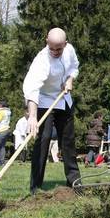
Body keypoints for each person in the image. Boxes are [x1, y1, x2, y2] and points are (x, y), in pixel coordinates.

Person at [23, 27, 81, 194]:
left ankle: (75, 182)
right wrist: (33, 116)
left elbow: (74, 67)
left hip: (64, 99)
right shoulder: (41, 61)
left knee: (68, 141)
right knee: (43, 140)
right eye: (52, 48)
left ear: (65, 44)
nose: (55, 52)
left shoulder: (69, 51)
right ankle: (35, 187)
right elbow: (32, 88)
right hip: (44, 101)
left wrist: (70, 79)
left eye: (59, 48)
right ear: (47, 42)